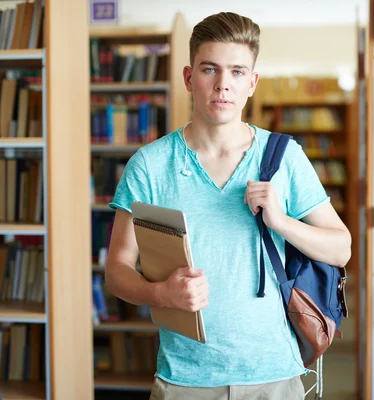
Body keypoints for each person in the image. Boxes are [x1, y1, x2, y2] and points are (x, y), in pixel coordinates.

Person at [104, 11, 351, 400]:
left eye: (237, 72)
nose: (223, 85)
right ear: (189, 77)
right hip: (185, 379)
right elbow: (116, 271)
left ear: (251, 83)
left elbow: (341, 247)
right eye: (209, 69)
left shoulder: (284, 157)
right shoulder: (150, 165)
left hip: (274, 375)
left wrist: (282, 222)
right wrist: (162, 294)